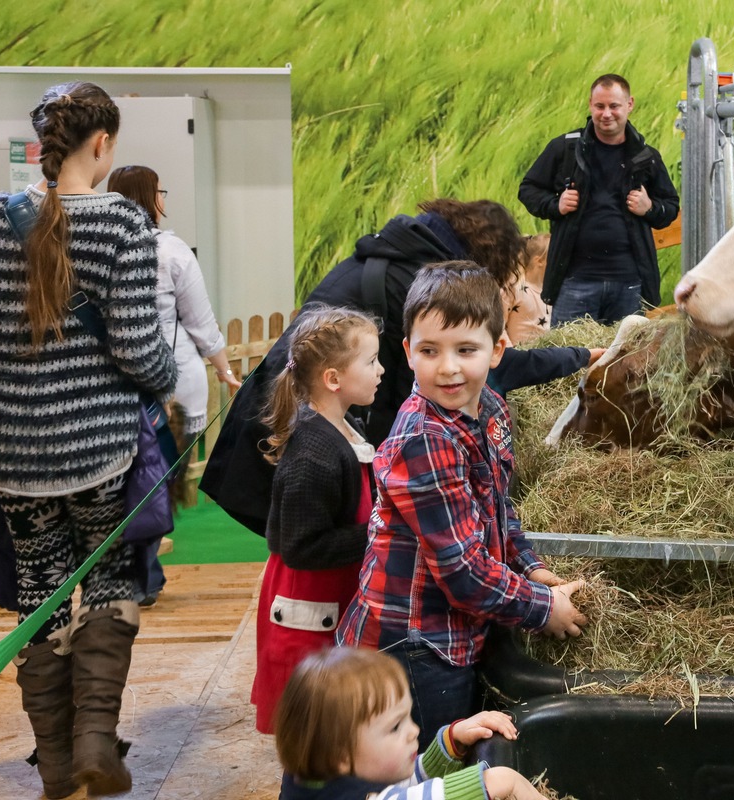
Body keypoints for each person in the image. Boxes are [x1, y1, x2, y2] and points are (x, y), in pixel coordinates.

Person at [0, 82, 176, 798]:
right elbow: (139, 354)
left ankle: (56, 763)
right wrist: (165, 378)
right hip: (101, 451)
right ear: (101, 144)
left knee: (40, 589)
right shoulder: (123, 224)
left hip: (12, 458)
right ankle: (98, 740)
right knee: (110, 581)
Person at [201, 198, 599, 536]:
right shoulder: (420, 281)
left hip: (284, 407)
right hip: (296, 426)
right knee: (308, 542)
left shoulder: (396, 253)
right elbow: (495, 370)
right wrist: (577, 356)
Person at [336, 263, 586, 749]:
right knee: (427, 759)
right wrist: (542, 609)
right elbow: (463, 573)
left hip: (452, 630)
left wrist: (529, 566)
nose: (448, 367)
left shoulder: (488, 407)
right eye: (430, 351)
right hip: (413, 645)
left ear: (497, 350)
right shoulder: (424, 439)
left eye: (465, 350)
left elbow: (497, 503)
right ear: (408, 353)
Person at [105, 164, 242, 608]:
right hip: (169, 388)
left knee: (125, 482)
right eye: (160, 191)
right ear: (152, 197)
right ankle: (143, 569)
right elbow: (200, 323)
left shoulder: (97, 249)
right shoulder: (170, 251)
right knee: (153, 480)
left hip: (112, 389)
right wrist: (223, 369)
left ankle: (138, 569)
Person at [250, 305, 383, 734]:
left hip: (331, 599)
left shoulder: (343, 428)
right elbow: (303, 546)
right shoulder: (313, 453)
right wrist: (380, 533)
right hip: (308, 606)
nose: (381, 370)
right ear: (333, 378)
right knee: (314, 722)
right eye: (371, 361)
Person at [275, 647, 551, 800]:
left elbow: (408, 785)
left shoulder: (333, 769)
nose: (414, 731)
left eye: (408, 716)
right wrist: (502, 781)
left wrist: (452, 741)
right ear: (340, 755)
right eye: (395, 727)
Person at [518, 73, 680, 326]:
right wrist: (555, 205)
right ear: (590, 105)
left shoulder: (647, 157)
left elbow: (670, 207)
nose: (606, 114)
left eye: (614, 106)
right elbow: (528, 189)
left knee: (627, 361)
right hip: (574, 281)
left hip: (629, 284)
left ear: (629, 105)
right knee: (570, 359)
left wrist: (649, 208)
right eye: (600, 106)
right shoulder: (565, 149)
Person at [501, 234, 552, 344]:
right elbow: (498, 325)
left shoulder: (550, 291)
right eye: (556, 256)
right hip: (518, 356)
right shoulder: (513, 288)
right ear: (539, 261)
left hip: (543, 355)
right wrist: (510, 353)